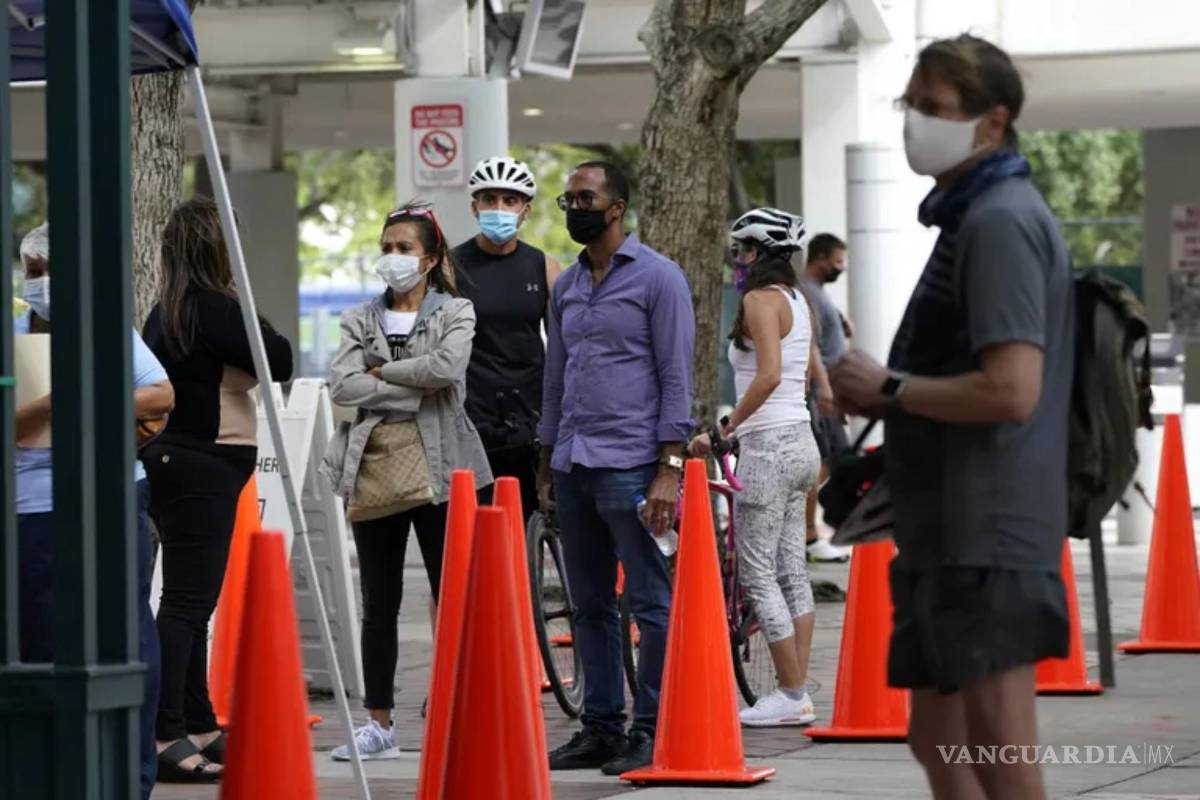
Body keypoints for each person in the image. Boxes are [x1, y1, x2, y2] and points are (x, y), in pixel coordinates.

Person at [830, 34, 1073, 800]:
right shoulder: (971, 218)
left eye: (932, 109)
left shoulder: (999, 222)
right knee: (938, 737)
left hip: (988, 533)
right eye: (911, 104)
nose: (914, 124)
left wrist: (890, 389)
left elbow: (1012, 391)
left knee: (998, 748)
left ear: (991, 124)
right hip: (949, 528)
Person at [538, 161, 695, 775]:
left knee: (650, 603)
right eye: (568, 198)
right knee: (590, 605)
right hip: (575, 464)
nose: (575, 206)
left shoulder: (660, 279)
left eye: (586, 197)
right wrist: (550, 457)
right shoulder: (567, 286)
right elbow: (557, 376)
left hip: (634, 466)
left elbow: (677, 378)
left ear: (617, 206)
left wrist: (669, 467)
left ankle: (651, 726)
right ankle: (601, 726)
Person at [323, 202, 493, 761]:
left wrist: (381, 372)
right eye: (387, 247)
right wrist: (409, 386)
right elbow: (342, 386)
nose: (392, 258)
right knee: (380, 601)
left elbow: (447, 370)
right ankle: (379, 724)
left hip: (442, 470)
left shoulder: (457, 310)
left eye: (404, 248)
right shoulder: (358, 317)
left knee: (453, 596)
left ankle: (458, 710)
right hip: (374, 468)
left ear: (431, 258)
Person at [14, 223, 175, 799]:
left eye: (50, 271)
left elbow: (160, 395)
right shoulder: (15, 336)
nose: (41, 284)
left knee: (127, 637)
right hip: (33, 509)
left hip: (111, 497)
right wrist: (54, 403)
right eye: (33, 272)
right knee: (37, 647)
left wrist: (87, 396)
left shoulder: (108, 329)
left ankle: (129, 780)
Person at [142, 198, 295, 783]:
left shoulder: (168, 311)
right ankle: (167, 732)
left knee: (187, 600)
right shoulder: (214, 308)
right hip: (202, 464)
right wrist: (246, 304)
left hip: (181, 463)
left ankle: (198, 722)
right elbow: (275, 356)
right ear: (216, 249)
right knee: (186, 603)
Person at [690, 208, 833, 726]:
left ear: (757, 253)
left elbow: (768, 375)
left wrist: (726, 428)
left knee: (756, 571)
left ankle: (790, 694)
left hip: (769, 445)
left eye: (742, 251)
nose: (738, 260)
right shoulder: (798, 300)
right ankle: (796, 693)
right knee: (792, 569)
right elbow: (799, 367)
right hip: (802, 443)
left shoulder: (757, 301)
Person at [453, 157, 562, 517]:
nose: (499, 208)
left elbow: (565, 348)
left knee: (528, 524)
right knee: (475, 532)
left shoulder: (543, 266)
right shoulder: (450, 267)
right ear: (475, 206)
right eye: (489, 199)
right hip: (470, 419)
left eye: (509, 200)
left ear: (525, 211)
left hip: (531, 420)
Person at [798, 233, 852, 563]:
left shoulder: (818, 294)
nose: (841, 268)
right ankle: (808, 534)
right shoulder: (807, 293)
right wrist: (826, 389)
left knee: (834, 459)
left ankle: (811, 532)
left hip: (828, 391)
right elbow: (811, 346)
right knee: (820, 461)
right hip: (822, 393)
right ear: (819, 258)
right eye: (838, 261)